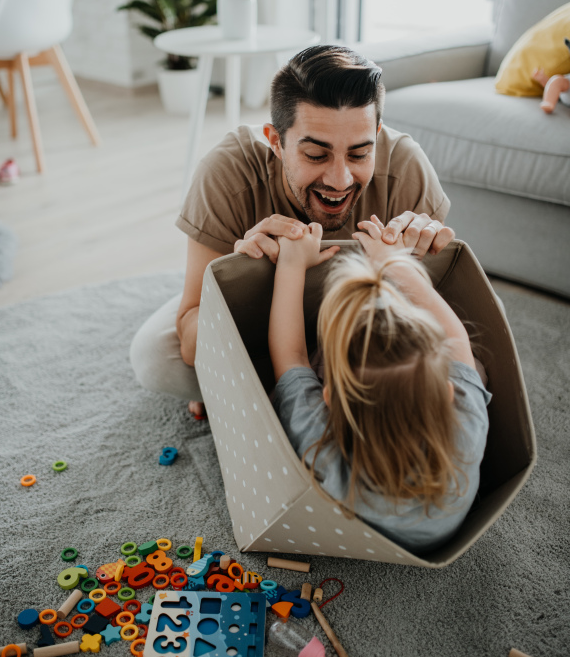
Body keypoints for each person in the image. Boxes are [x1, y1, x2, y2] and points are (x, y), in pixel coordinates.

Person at [130, 44, 455, 412]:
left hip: (361, 331)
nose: (340, 179)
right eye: (315, 155)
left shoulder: (406, 168)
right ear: (275, 142)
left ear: (377, 136)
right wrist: (241, 277)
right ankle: (288, 386)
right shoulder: (226, 172)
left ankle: (264, 392)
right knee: (157, 358)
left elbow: (439, 322)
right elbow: (190, 338)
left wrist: (427, 256)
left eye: (360, 153)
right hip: (263, 319)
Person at [269, 218, 490, 554]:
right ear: (447, 395)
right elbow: (457, 338)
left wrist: (291, 264)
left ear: (327, 398)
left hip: (372, 536)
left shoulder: (323, 450)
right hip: (442, 533)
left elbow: (291, 357)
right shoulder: (466, 430)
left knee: (305, 367)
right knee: (474, 368)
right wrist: (394, 263)